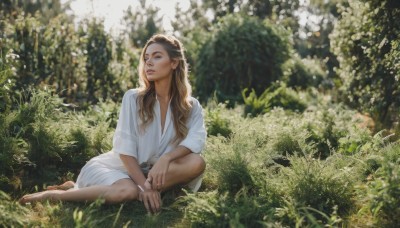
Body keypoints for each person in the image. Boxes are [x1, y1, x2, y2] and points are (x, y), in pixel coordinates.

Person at [19, 34, 207, 214]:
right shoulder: (133, 98)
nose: (148, 62)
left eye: (157, 57)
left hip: (153, 172)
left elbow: (196, 140)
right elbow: (125, 151)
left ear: (174, 63)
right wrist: (144, 187)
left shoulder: (190, 106)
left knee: (197, 162)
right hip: (115, 168)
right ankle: (58, 195)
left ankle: (110, 188)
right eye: (146, 57)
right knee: (129, 192)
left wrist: (166, 159)